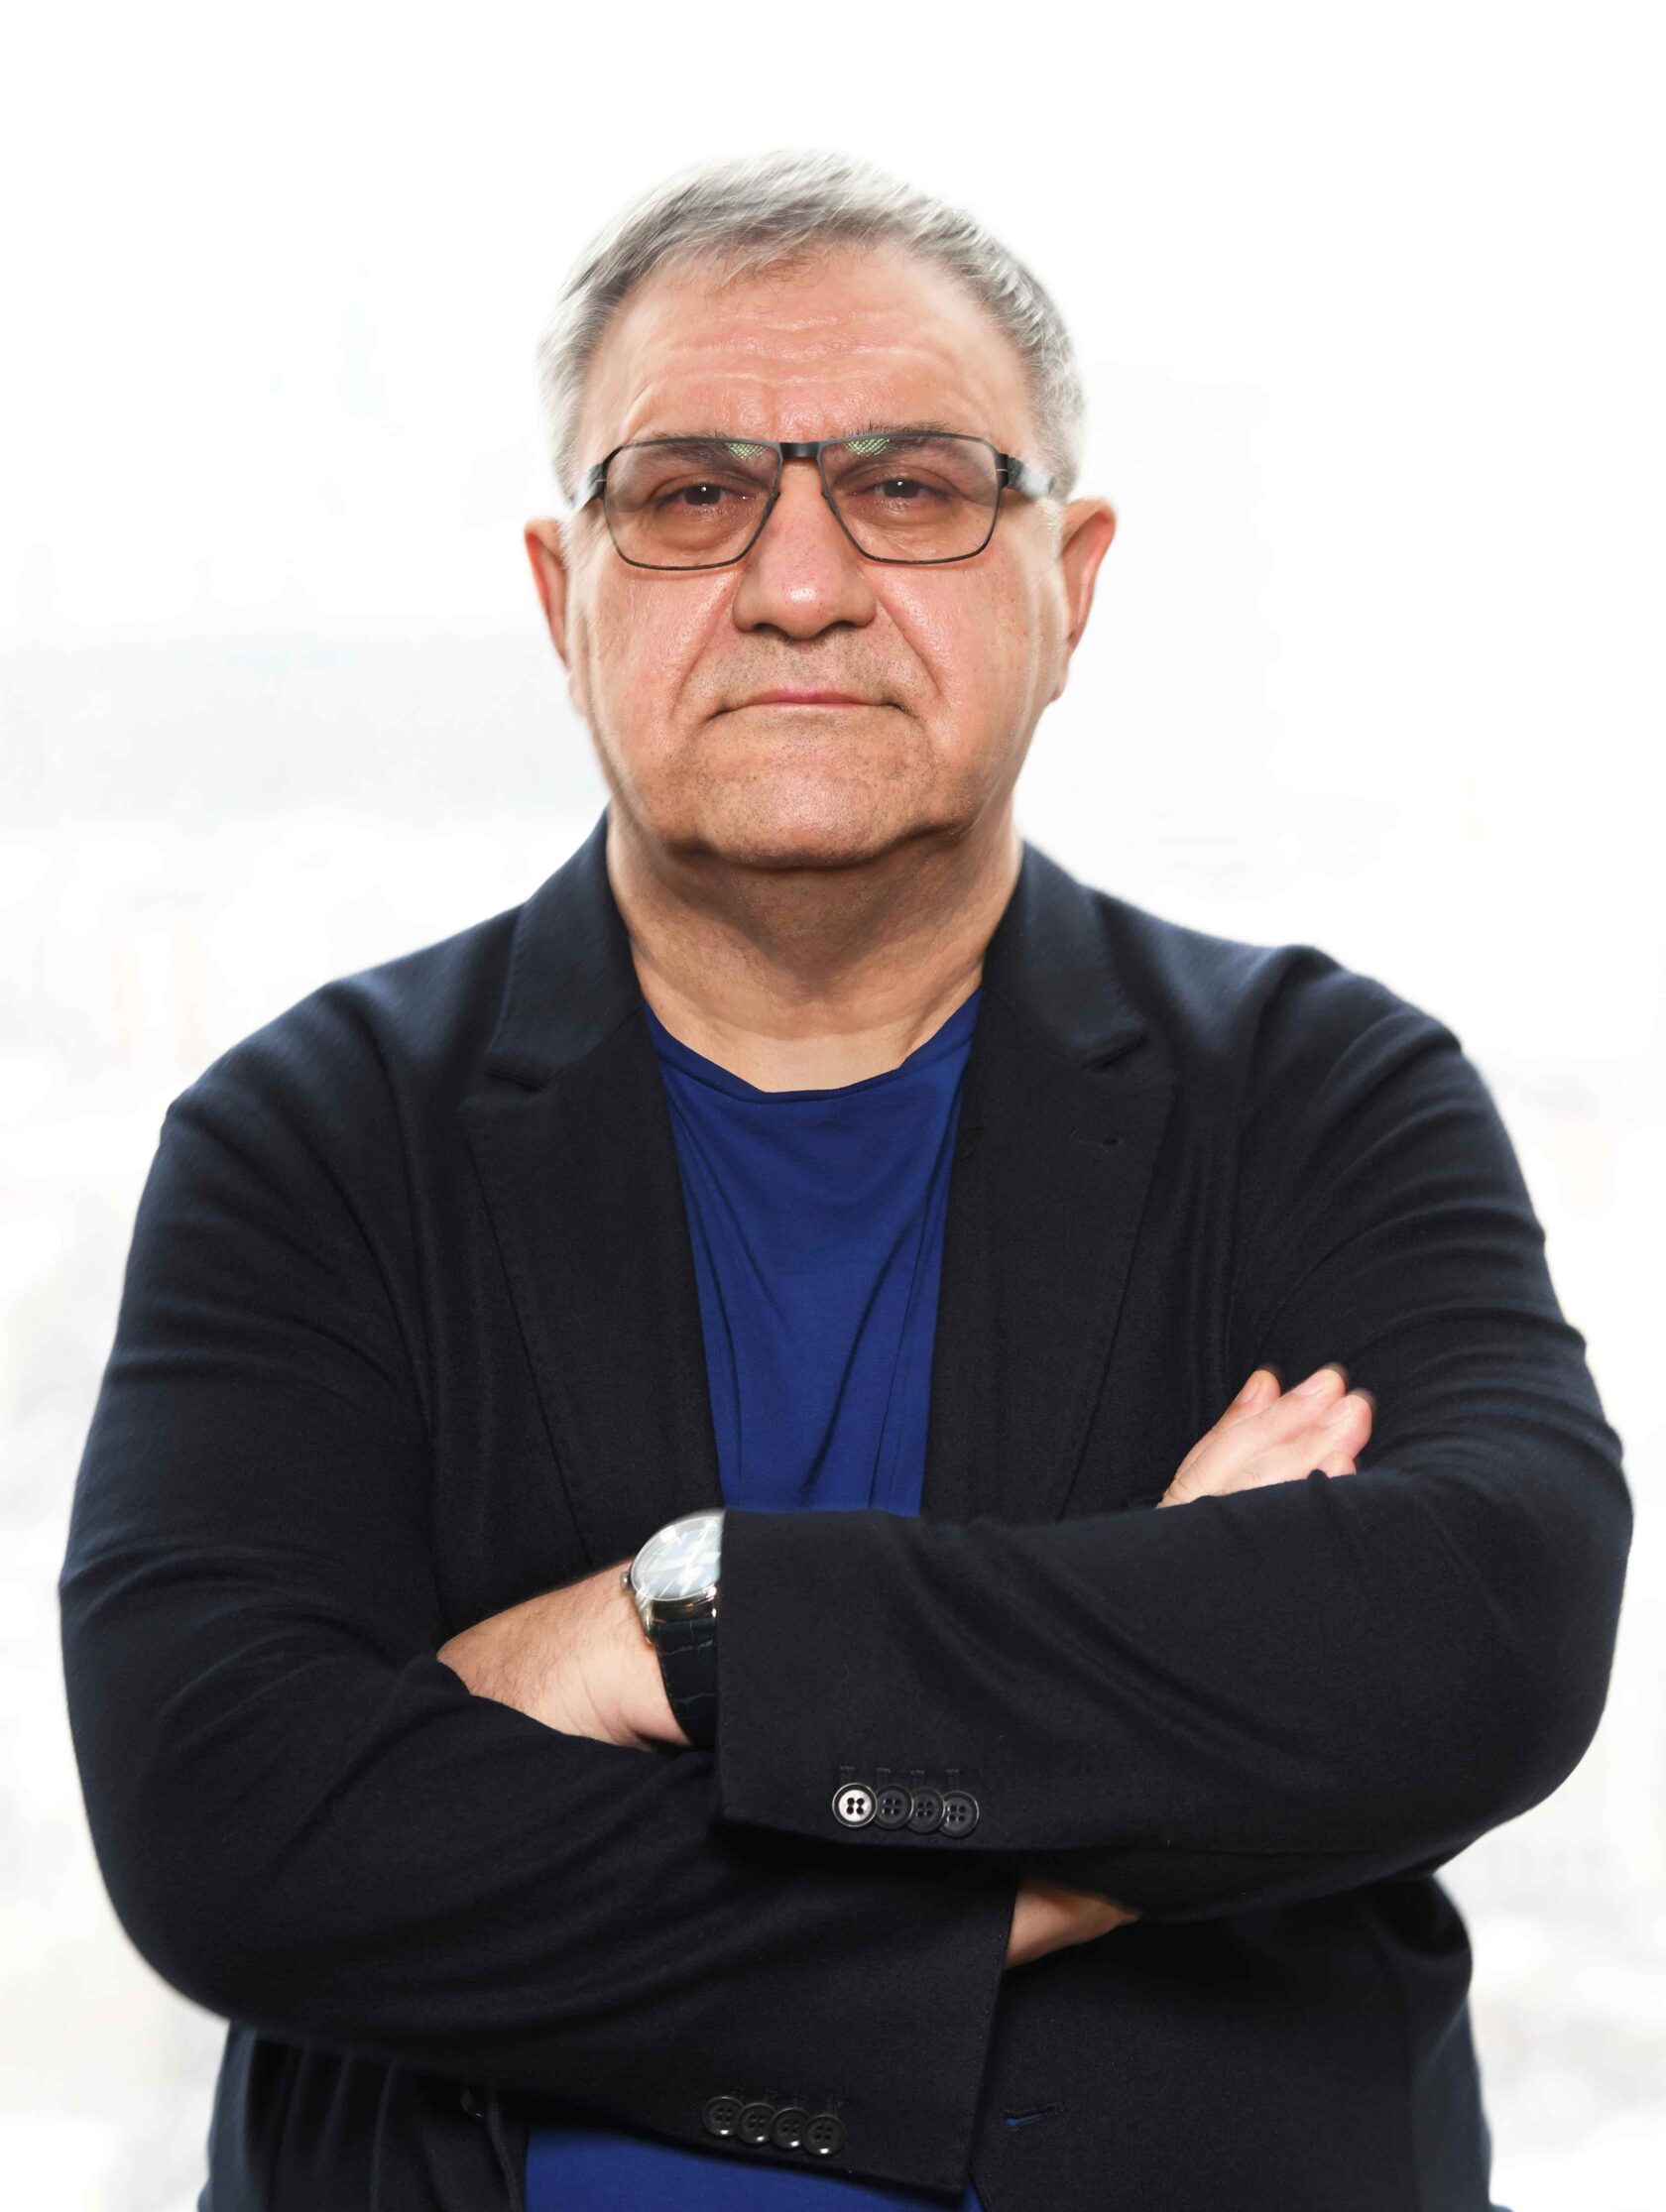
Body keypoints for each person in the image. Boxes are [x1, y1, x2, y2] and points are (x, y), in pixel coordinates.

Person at [59, 148, 1630, 2212]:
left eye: (909, 486)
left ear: (1071, 580)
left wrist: (672, 1629)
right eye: (689, 494)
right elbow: (230, 1824)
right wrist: (1091, 1816)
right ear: (562, 596)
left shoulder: (1321, 1089)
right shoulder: (310, 1139)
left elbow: (1485, 1629)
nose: (799, 584)